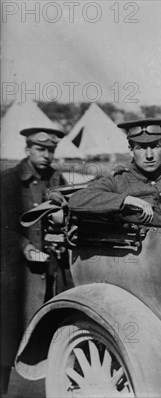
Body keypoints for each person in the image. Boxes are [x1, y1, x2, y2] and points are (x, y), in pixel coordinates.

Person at [1, 127, 69, 393]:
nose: (46, 155)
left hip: (51, 271)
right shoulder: (8, 181)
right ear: (27, 149)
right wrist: (25, 247)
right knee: (7, 341)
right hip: (16, 277)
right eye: (41, 149)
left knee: (49, 339)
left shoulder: (57, 179)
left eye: (51, 150)